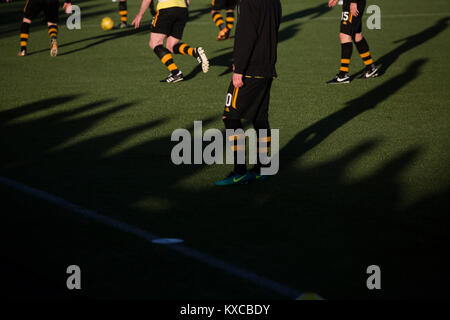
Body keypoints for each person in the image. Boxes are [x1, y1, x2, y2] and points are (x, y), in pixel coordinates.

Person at [215, 0, 282, 186]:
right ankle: (262, 168)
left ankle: (239, 171)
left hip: (250, 69)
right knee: (260, 117)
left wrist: (239, 68)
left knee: (230, 117)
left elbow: (246, 36)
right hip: (267, 67)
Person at [132, 0, 210, 83]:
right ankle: (194, 52)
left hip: (166, 8)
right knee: (171, 46)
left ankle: (175, 72)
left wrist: (140, 14)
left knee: (154, 43)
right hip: (182, 9)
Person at [327, 0, 378, 84]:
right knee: (356, 35)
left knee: (345, 35)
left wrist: (353, 2)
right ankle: (371, 68)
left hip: (353, 2)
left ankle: (343, 75)